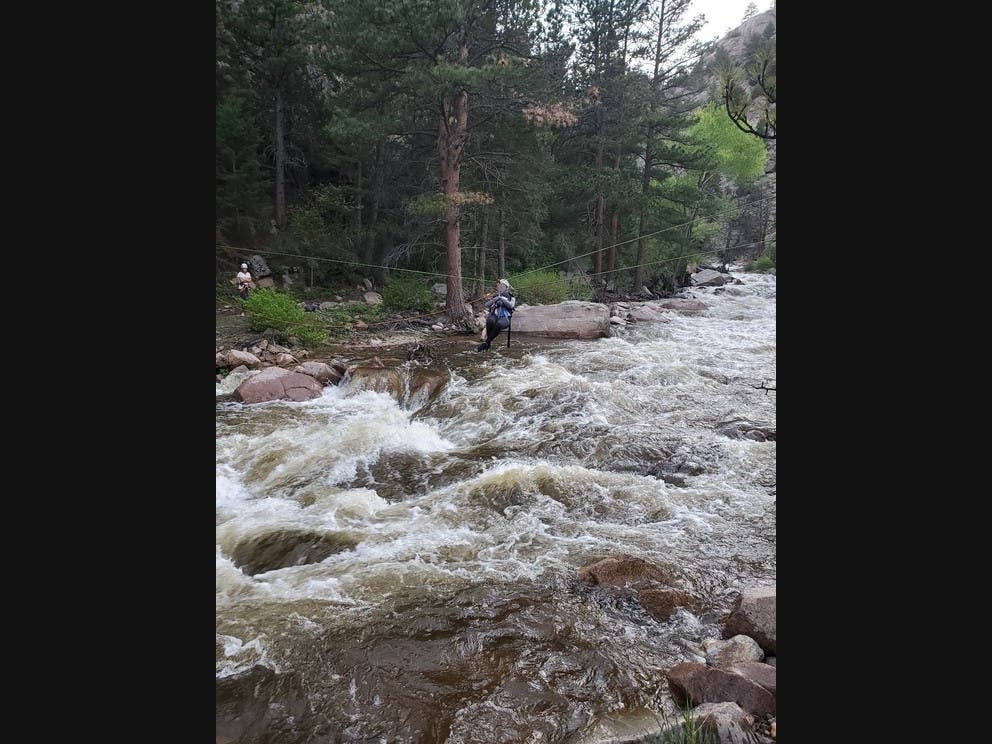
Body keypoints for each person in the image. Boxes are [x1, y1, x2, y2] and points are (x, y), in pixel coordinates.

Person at [476, 278, 516, 352]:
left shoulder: (511, 296)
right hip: (495, 315)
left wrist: (502, 299)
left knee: (499, 324)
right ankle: (488, 344)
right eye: (499, 286)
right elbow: (486, 304)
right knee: (490, 321)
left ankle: (487, 342)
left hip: (505, 317)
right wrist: (496, 298)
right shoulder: (495, 296)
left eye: (502, 286)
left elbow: (511, 305)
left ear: (506, 287)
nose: (501, 288)